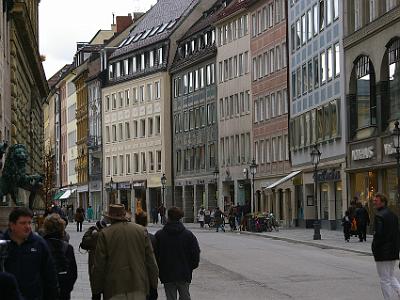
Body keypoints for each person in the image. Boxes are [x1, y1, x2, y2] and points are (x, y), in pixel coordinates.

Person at [92, 204, 159, 300]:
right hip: (139, 286)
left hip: (114, 288)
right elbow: (151, 262)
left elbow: (99, 266)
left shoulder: (105, 234)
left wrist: (96, 292)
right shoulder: (141, 231)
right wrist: (154, 286)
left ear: (110, 218)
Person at [2, 207, 59, 300]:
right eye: (23, 223)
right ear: (12, 225)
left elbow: (50, 275)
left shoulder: (39, 244)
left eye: (29, 223)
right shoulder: (3, 244)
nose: (28, 226)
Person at [154, 207, 200, 300]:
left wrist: (159, 268)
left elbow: (154, 255)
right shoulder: (188, 235)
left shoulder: (160, 235)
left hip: (166, 272)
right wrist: (190, 267)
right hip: (184, 272)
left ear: (168, 217)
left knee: (170, 297)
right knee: (185, 296)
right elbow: (195, 254)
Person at [371, 193, 400, 299]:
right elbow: (397, 233)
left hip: (383, 252)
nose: (374, 202)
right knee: (390, 276)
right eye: (374, 200)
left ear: (382, 202)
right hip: (393, 251)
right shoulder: (394, 215)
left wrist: (374, 246)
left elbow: (379, 235)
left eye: (376, 201)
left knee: (384, 279)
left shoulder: (379, 215)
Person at [43, 213, 77, 300]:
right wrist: (67, 289)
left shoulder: (41, 246)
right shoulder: (67, 248)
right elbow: (73, 273)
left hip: (45, 292)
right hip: (63, 292)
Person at [80, 219, 107, 300]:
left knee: (96, 292)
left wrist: (90, 230)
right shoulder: (110, 235)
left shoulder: (95, 236)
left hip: (95, 267)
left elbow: (84, 243)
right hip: (109, 269)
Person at [135, 211, 158, 300]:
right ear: (146, 222)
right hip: (147, 276)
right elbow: (154, 262)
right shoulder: (151, 237)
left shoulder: (131, 236)